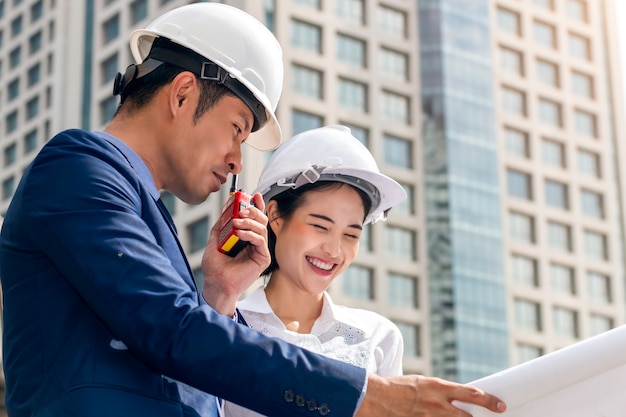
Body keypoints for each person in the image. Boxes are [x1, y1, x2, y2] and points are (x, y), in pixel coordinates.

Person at [0, 3, 507, 417]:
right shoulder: (79, 170)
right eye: (238, 128)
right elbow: (168, 329)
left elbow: (181, 360)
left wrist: (219, 291)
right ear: (182, 94)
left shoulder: (144, 209)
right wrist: (368, 396)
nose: (237, 160)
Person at [222, 125, 408, 417]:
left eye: (351, 235)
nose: (334, 251)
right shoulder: (224, 325)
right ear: (275, 216)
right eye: (320, 226)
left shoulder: (378, 338)